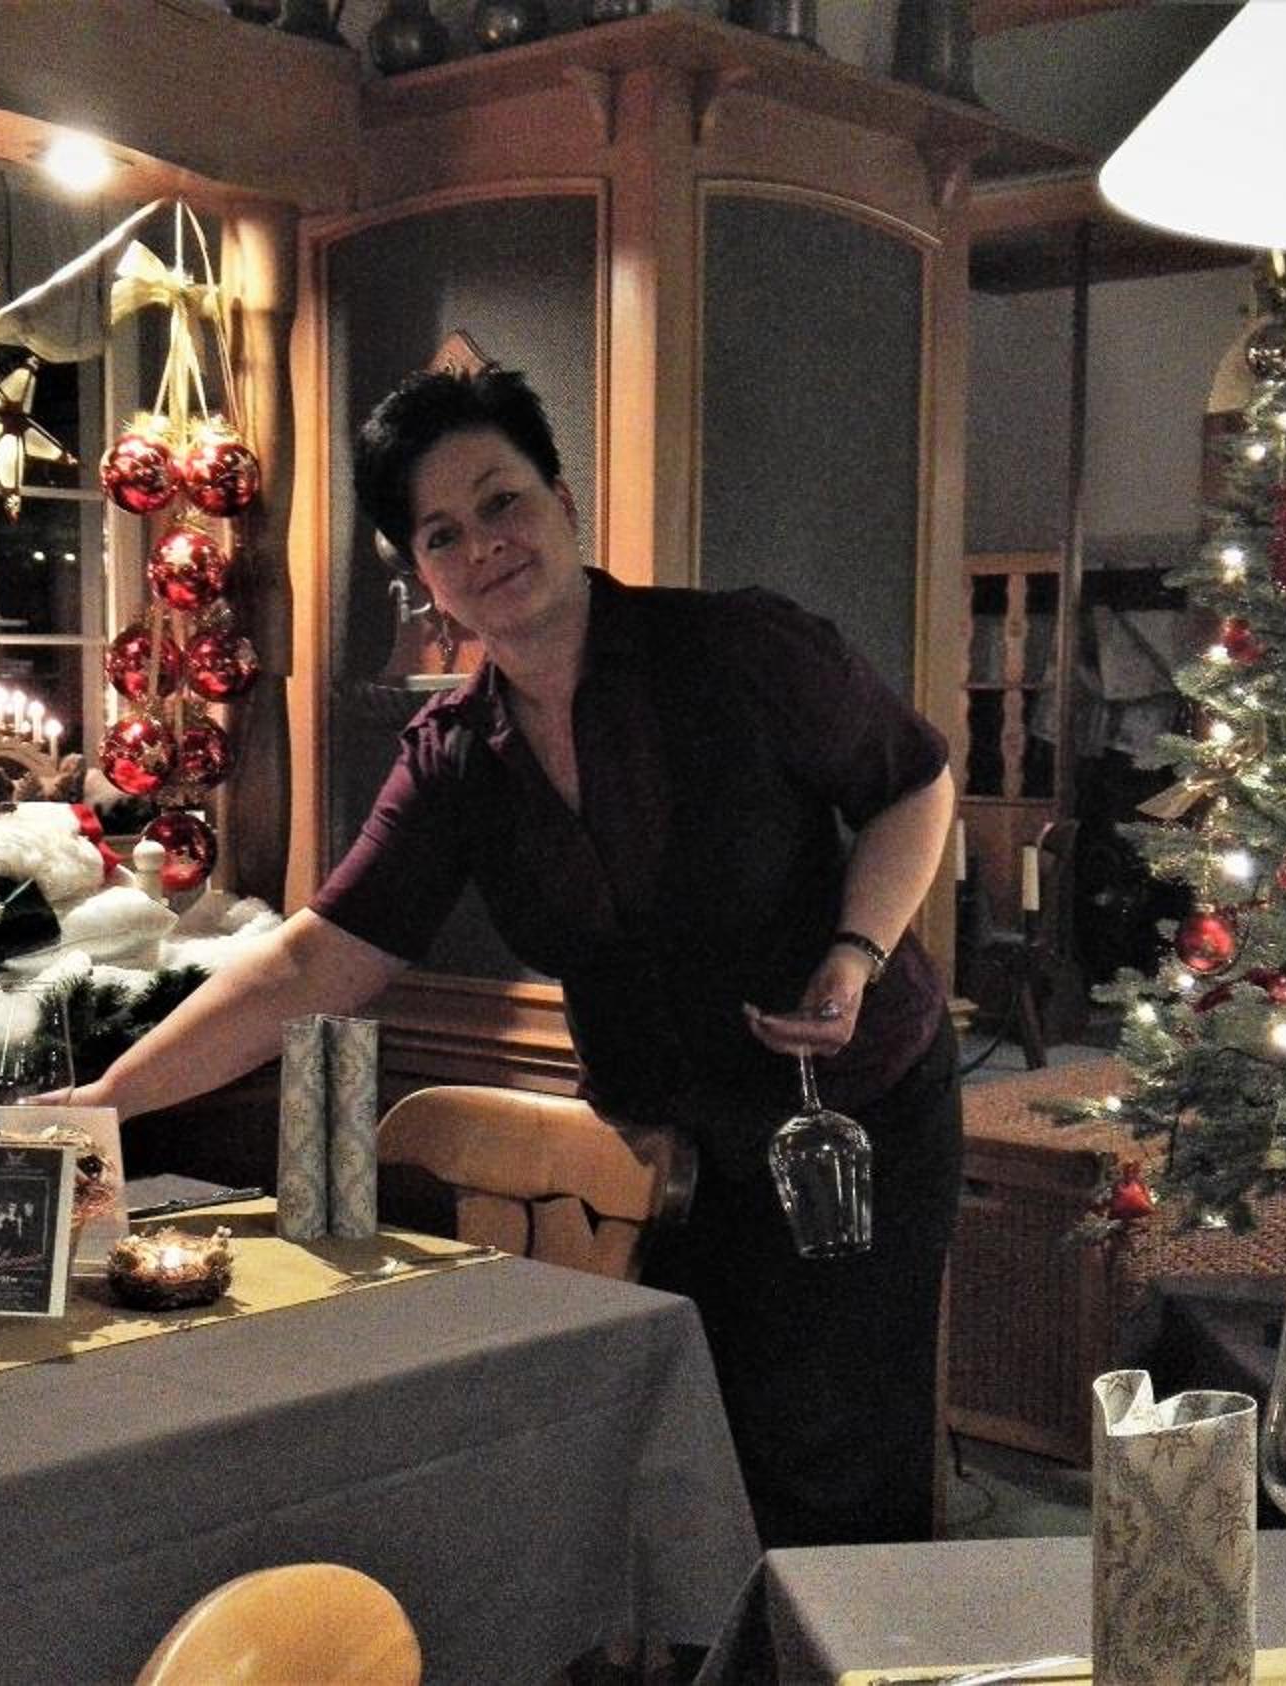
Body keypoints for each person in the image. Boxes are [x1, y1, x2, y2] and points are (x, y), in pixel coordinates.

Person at [66, 366, 961, 1547]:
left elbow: (913, 783)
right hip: (674, 1150)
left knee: (834, 1457)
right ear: (421, 573)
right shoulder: (452, 759)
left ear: (563, 501)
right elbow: (312, 963)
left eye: (503, 502)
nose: (483, 545)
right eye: (442, 533)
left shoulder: (738, 648)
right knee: (704, 1461)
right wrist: (105, 1102)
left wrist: (855, 950)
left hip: (850, 1117)